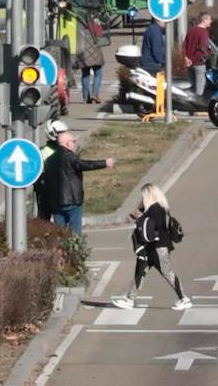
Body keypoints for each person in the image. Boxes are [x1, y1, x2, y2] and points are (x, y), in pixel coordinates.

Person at [111, 183, 190, 311]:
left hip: (158, 247)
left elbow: (153, 227)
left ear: (149, 196)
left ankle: (184, 299)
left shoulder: (156, 209)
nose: (141, 199)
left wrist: (141, 219)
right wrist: (140, 216)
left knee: (167, 273)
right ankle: (130, 299)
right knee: (140, 271)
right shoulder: (157, 209)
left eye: (143, 196)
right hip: (151, 247)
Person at [41, 129, 112, 234]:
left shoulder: (49, 160)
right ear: (68, 143)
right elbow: (84, 164)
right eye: (73, 141)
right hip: (72, 200)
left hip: (56, 202)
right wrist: (104, 163)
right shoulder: (69, 156)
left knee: (59, 232)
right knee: (75, 232)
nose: (74, 144)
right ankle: (74, 250)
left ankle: (60, 249)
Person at [34, 118, 68, 220]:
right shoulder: (42, 152)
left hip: (62, 190)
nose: (64, 136)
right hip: (45, 191)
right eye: (61, 133)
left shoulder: (67, 151)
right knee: (44, 218)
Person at [182, 12, 213, 98]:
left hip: (189, 63)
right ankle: (197, 108)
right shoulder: (204, 32)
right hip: (199, 63)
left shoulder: (191, 30)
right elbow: (202, 48)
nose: (211, 21)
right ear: (205, 20)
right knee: (200, 87)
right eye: (210, 19)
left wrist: (186, 58)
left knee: (192, 85)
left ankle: (189, 105)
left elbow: (184, 45)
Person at [76, 17, 105, 106]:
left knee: (85, 74)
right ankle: (94, 94)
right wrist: (98, 24)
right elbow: (100, 34)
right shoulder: (94, 23)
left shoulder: (78, 25)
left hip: (82, 52)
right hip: (95, 52)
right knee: (98, 73)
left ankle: (85, 97)